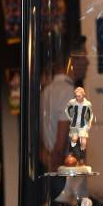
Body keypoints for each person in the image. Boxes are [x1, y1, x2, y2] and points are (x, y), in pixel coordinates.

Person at [40, 35, 89, 172]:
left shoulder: (47, 90)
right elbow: (60, 145)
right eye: (84, 56)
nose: (87, 62)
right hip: (62, 171)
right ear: (73, 60)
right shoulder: (68, 92)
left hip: (51, 167)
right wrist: (55, 168)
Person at [64, 86, 94, 165]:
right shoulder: (72, 102)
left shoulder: (87, 103)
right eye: (76, 96)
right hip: (75, 124)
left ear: (83, 95)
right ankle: (72, 154)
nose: (77, 98)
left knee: (83, 143)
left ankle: (81, 158)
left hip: (83, 125)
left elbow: (90, 114)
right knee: (74, 139)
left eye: (79, 96)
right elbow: (67, 110)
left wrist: (90, 122)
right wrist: (70, 118)